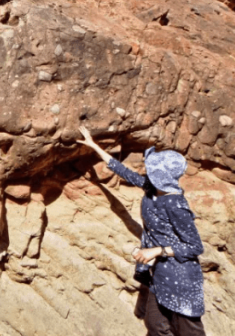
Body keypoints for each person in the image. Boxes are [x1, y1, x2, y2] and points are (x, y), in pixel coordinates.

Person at [77, 126, 206, 336]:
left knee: (189, 331)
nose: (148, 172)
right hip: (161, 274)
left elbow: (195, 247)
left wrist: (156, 251)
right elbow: (123, 171)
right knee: (155, 325)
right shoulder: (151, 188)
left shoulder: (176, 205)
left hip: (181, 278)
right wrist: (94, 146)